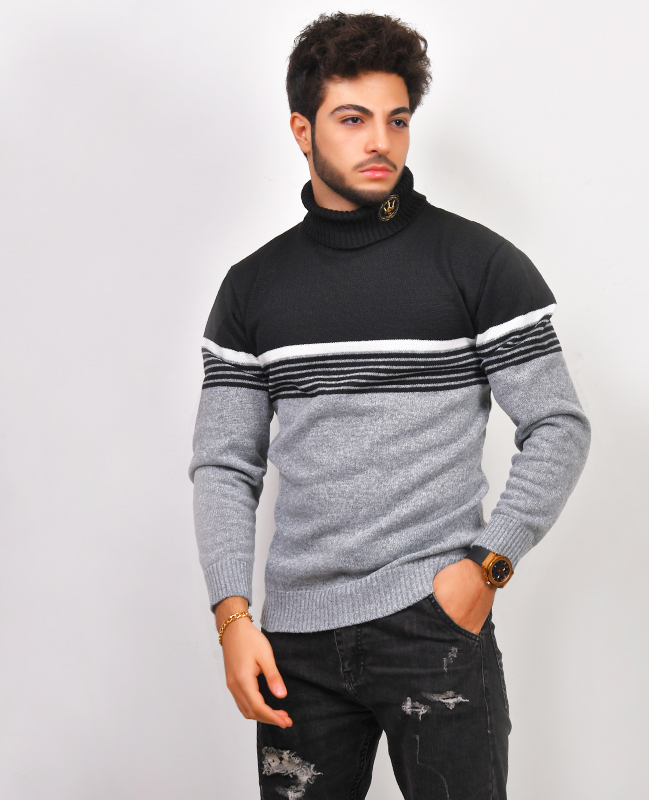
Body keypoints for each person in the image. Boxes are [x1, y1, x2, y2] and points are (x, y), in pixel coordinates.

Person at [189, 12, 591, 799]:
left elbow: (558, 425)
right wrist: (234, 620)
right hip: (295, 645)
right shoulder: (252, 288)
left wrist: (487, 567)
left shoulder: (478, 263)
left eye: (396, 120)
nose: (380, 141)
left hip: (432, 626)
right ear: (302, 130)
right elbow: (224, 467)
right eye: (353, 119)